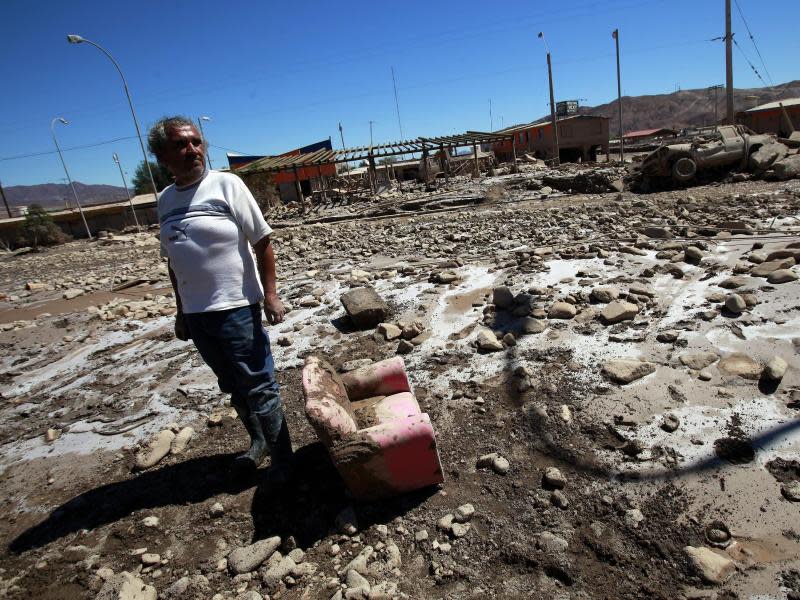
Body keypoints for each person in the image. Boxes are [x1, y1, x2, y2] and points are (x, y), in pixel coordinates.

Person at [148, 115, 292, 474]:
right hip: (198, 316)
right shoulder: (165, 200)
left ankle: (285, 461)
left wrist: (270, 294)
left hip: (236, 307)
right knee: (231, 384)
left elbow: (263, 242)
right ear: (162, 156)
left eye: (196, 141)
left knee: (259, 384)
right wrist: (181, 312)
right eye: (181, 144)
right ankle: (258, 442)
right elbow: (173, 263)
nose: (193, 149)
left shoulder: (227, 185)